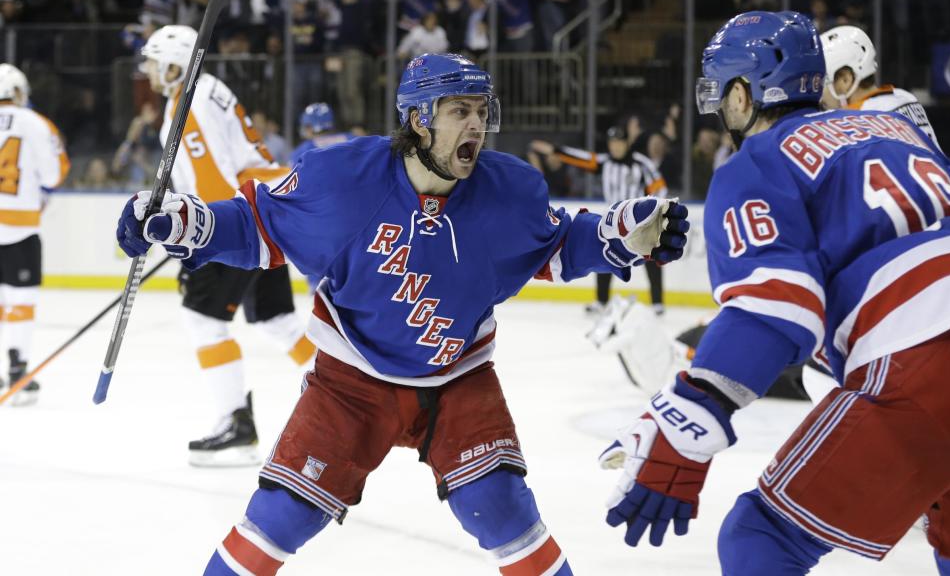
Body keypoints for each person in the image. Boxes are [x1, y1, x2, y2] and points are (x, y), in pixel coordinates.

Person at [116, 53, 690, 575]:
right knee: (279, 516)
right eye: (458, 110)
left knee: (500, 509)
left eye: (480, 111)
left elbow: (555, 244)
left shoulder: (508, 190)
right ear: (418, 119)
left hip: (458, 377)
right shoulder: (342, 180)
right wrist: (180, 221)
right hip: (351, 380)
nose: (475, 125)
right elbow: (258, 226)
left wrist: (622, 235)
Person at [599, 10, 950, 576]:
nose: (720, 107)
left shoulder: (758, 162)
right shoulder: (898, 129)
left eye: (722, 91)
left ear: (744, 95)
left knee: (758, 539)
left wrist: (691, 418)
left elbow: (775, 308)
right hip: (934, 337)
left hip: (925, 353)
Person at [138, 24, 316, 467]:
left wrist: (197, 238)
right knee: (276, 320)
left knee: (202, 321)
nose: (147, 71)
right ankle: (348, 393)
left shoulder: (190, 104)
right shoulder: (207, 89)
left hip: (238, 219)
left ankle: (234, 425)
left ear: (175, 65)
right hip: (267, 211)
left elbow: (213, 182)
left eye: (154, 62)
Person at [530, 127, 668, 316]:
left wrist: (652, 213)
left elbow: (659, 188)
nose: (616, 147)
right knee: (604, 254)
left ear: (627, 143)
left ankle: (657, 303)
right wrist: (554, 150)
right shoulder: (604, 163)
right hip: (613, 221)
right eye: (612, 143)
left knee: (651, 257)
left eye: (619, 142)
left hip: (639, 221)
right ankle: (601, 301)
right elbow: (579, 158)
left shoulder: (641, 164)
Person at [0, 63, 69, 404]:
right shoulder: (35, 123)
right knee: (20, 301)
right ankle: (17, 371)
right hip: (19, 225)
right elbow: (54, 174)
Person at [820, 25, 940, 147]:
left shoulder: (852, 120)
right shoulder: (906, 97)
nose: (820, 94)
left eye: (822, 82)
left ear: (845, 80)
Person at [289, 102, 354, 167]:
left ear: (310, 127)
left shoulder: (303, 150)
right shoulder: (353, 139)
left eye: (306, 126)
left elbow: (294, 174)